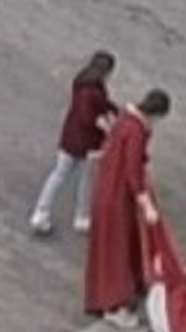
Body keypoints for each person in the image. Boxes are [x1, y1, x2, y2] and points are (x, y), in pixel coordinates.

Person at [84, 89, 172, 328]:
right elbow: (133, 169)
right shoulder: (136, 131)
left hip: (106, 190)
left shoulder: (125, 120)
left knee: (109, 248)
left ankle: (107, 297)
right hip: (118, 197)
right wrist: (145, 202)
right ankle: (113, 305)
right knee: (118, 250)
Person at [30, 51, 119, 236]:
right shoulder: (93, 90)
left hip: (70, 137)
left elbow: (93, 107)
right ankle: (81, 216)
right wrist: (106, 125)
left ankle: (42, 211)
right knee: (86, 179)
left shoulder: (83, 83)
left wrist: (112, 108)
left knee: (59, 174)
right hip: (88, 143)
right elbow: (89, 116)